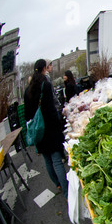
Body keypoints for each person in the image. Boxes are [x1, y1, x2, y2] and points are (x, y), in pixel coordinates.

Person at [24, 59, 68, 200]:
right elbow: (51, 110)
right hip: (49, 129)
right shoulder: (45, 85)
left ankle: (58, 184)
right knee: (56, 160)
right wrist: (58, 124)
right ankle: (67, 193)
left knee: (47, 161)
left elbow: (27, 114)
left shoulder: (28, 90)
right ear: (44, 68)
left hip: (38, 131)